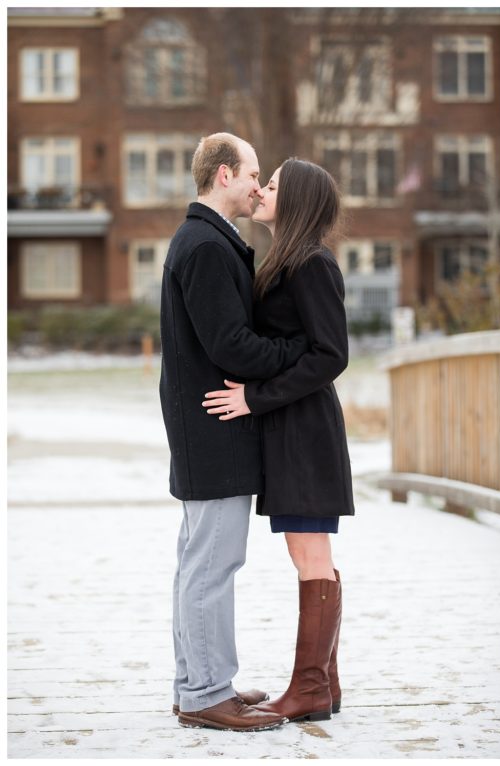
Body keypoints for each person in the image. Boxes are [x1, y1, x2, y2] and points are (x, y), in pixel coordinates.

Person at [160, 132, 305, 731]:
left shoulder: (207, 241)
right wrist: (298, 352)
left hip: (207, 423)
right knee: (212, 564)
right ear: (224, 175)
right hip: (213, 424)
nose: (258, 183)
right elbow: (230, 345)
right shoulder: (206, 246)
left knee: (201, 561)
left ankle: (197, 683)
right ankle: (204, 696)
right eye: (253, 173)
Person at [202, 158, 353, 723]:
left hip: (305, 431)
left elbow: (331, 354)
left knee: (310, 553)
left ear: (299, 201)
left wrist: (253, 398)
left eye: (273, 186)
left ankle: (309, 689)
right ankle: (324, 686)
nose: (261, 190)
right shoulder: (288, 260)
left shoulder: (311, 263)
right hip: (294, 428)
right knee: (310, 554)